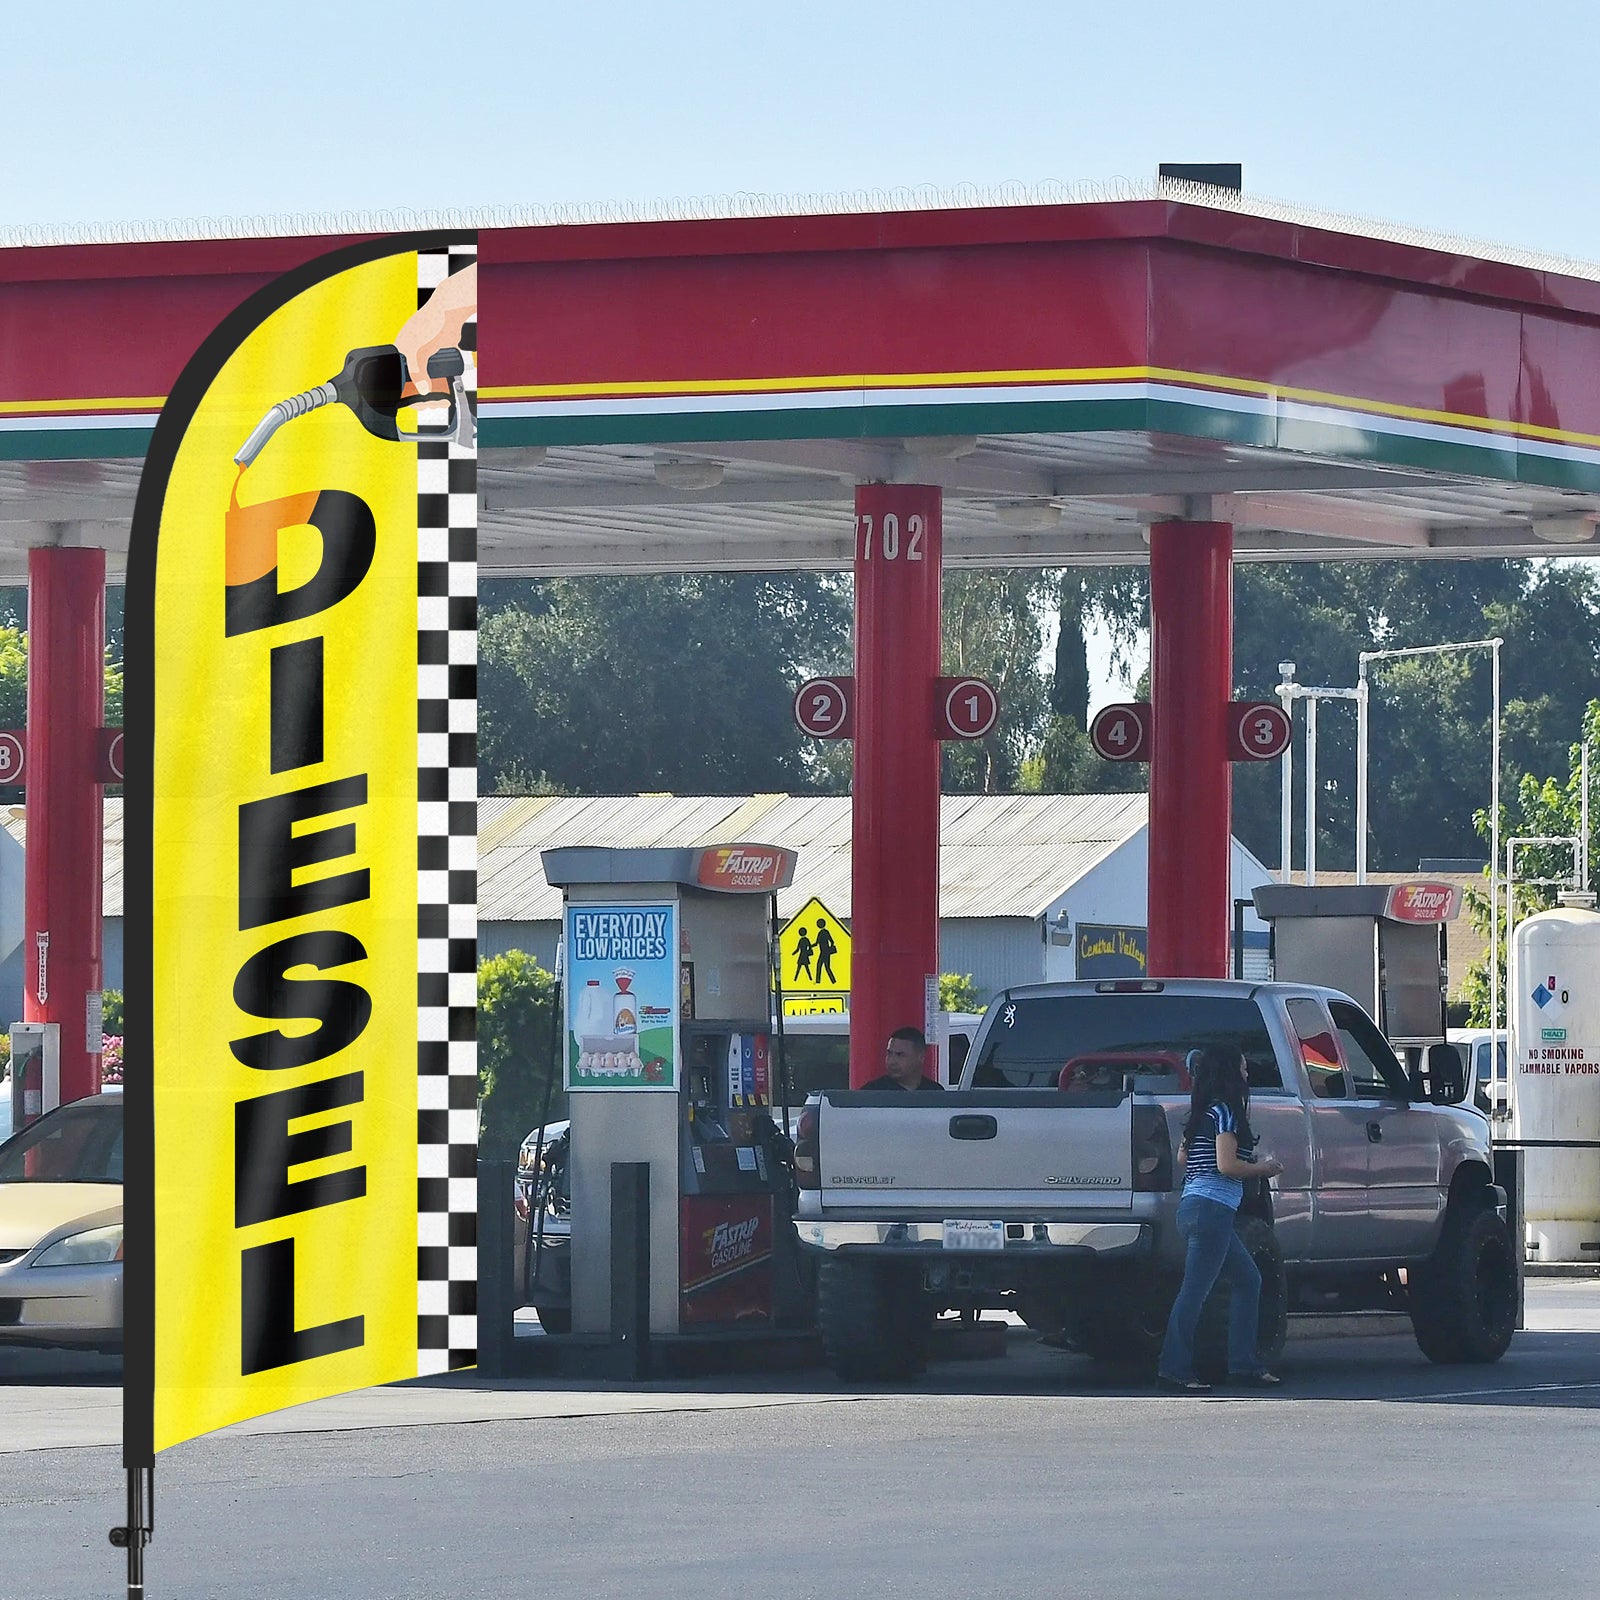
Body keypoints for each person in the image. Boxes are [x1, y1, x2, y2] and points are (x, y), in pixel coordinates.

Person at [1157, 1044, 1285, 1393]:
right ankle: (1174, 1368)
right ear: (1231, 1074)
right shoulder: (1226, 1113)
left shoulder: (1201, 1113)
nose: (1247, 1074)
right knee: (1195, 1291)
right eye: (1243, 1069)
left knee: (1249, 1279)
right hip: (1212, 1210)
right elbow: (1226, 1166)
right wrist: (1263, 1168)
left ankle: (1244, 1365)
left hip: (1196, 1207)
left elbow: (1185, 1158)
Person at [860, 1026, 943, 1092]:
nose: (892, 1061)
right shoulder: (872, 1092)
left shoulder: (935, 1091)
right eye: (889, 1053)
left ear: (920, 1057)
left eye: (900, 1055)